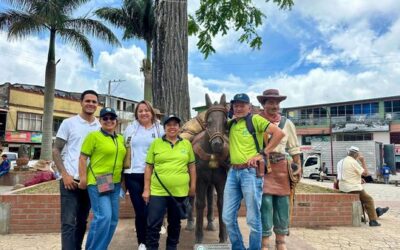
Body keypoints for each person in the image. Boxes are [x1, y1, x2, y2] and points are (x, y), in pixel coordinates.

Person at [222, 93, 285, 250]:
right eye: (235, 105)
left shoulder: (255, 120)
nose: (238, 108)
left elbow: (279, 133)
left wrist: (263, 153)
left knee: (252, 217)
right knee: (227, 217)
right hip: (233, 173)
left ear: (249, 107)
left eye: (242, 105)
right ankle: (238, 247)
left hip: (250, 173)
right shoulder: (231, 124)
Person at [52, 90, 100, 250]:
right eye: (88, 101)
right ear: (81, 102)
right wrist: (64, 175)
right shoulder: (69, 123)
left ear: (97, 105)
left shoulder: (100, 126)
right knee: (68, 222)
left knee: (82, 221)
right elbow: (56, 150)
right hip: (70, 181)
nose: (91, 104)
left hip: (90, 183)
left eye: (94, 101)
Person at [143, 115, 196, 250]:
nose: (172, 127)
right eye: (169, 125)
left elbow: (191, 166)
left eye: (175, 125)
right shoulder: (156, 143)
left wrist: (193, 186)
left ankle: (172, 247)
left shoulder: (186, 144)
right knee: (153, 223)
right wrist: (146, 189)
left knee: (175, 223)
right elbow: (149, 167)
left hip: (179, 191)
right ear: (164, 127)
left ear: (179, 127)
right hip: (158, 191)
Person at [257, 89, 301, 250]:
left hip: (282, 167)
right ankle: (265, 241)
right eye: (270, 102)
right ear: (263, 104)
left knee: (283, 203)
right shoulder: (256, 121)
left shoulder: (286, 123)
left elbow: (294, 148)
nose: (274, 105)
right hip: (263, 167)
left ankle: (281, 240)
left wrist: (298, 166)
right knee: (265, 203)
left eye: (276, 102)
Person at [78, 107, 126, 249]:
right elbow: (82, 158)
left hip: (115, 182)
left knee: (113, 220)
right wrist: (83, 178)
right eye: (105, 118)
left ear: (116, 121)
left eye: (112, 118)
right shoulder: (93, 136)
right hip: (99, 181)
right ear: (100, 121)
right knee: (103, 217)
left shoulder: (120, 139)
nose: (109, 121)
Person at [123, 100, 164, 250]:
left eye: (146, 110)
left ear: (152, 112)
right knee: (140, 211)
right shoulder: (130, 129)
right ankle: (142, 243)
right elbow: (124, 150)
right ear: (136, 114)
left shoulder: (160, 129)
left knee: (152, 211)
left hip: (154, 175)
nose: (143, 113)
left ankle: (152, 240)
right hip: (133, 175)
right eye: (140, 111)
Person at [339, 146, 389, 226]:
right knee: (369, 200)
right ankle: (373, 221)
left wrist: (359, 180)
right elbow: (366, 173)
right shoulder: (353, 162)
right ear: (356, 154)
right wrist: (363, 161)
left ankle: (378, 211)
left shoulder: (341, 161)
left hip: (343, 186)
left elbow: (347, 174)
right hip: (352, 187)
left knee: (364, 200)